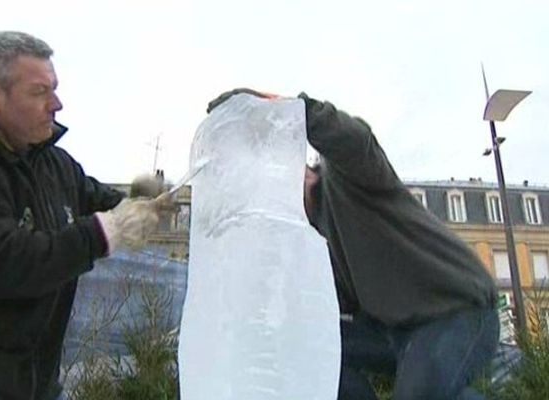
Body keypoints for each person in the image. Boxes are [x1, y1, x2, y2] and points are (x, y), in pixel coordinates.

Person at [208, 89, 499, 399]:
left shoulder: (348, 176)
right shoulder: (309, 240)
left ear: (305, 169)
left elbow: (354, 139)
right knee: (307, 350)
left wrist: (286, 110)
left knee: (418, 394)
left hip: (456, 310)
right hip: (393, 332)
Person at [0, 31, 169, 400]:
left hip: (41, 387)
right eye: (39, 92)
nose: (57, 104)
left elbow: (102, 203)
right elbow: (7, 263)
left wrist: (144, 199)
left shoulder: (56, 166)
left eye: (55, 88)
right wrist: (107, 231)